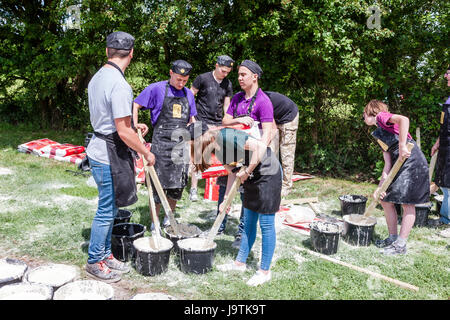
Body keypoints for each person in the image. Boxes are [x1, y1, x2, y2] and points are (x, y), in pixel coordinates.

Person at [85, 31, 156, 282]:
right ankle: (95, 260)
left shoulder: (98, 77)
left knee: (112, 207)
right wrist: (146, 151)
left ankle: (106, 254)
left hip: (99, 145)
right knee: (106, 210)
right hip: (108, 153)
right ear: (132, 54)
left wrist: (133, 129)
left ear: (107, 51)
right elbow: (123, 131)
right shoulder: (120, 84)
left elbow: (119, 123)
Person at [190, 124, 282, 286]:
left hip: (268, 172)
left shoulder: (227, 136)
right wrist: (227, 200)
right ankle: (239, 263)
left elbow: (261, 147)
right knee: (248, 221)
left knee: (266, 224)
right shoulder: (217, 150)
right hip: (252, 176)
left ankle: (264, 271)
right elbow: (231, 174)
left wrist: (247, 171)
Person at [133, 60, 197, 229]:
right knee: (156, 184)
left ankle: (169, 218)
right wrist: (135, 125)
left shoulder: (188, 94)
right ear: (170, 73)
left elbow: (192, 119)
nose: (181, 83)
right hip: (160, 143)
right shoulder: (156, 88)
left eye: (184, 80)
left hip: (180, 144)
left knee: (177, 185)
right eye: (178, 79)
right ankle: (154, 220)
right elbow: (136, 104)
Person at [220, 60, 276, 248]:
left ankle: (243, 231)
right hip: (236, 150)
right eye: (238, 75)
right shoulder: (236, 98)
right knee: (227, 182)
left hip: (257, 157)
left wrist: (250, 167)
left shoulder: (263, 102)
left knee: (248, 196)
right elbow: (225, 120)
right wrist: (239, 119)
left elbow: (267, 136)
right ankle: (222, 217)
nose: (239, 78)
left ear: (255, 76)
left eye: (243, 75)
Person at [363, 99, 429, 255]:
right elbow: (387, 165)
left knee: (408, 204)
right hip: (398, 163)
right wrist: (380, 187)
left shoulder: (381, 117)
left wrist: (402, 146)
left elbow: (404, 119)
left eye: (363, 114)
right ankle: (392, 239)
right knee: (385, 201)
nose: (363, 117)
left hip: (412, 160)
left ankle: (400, 245)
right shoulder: (378, 134)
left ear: (369, 112)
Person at [188, 55, 234, 201]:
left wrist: (227, 121)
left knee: (223, 155)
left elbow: (227, 106)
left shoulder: (228, 84)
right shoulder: (202, 78)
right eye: (223, 70)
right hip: (201, 121)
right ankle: (194, 189)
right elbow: (189, 96)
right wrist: (192, 119)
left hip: (218, 123)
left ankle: (221, 188)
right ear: (216, 65)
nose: (224, 74)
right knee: (198, 155)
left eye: (227, 72)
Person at [265, 91, 299, 198]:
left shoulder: (263, 102)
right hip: (276, 117)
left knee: (286, 154)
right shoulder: (251, 104)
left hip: (289, 117)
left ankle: (286, 186)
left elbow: (272, 129)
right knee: (271, 153)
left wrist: (264, 143)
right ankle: (272, 182)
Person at [430, 66, 450, 227]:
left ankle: (447, 221)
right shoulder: (449, 99)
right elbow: (445, 126)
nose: (445, 76)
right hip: (445, 146)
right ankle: (445, 218)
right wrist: (438, 142)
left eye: (448, 73)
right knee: (443, 181)